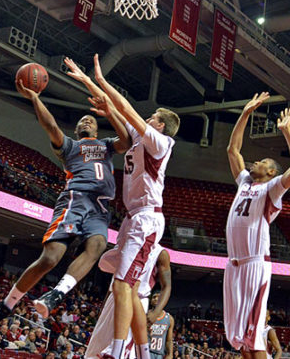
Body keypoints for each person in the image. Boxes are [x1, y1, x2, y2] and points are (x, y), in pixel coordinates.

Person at [0, 65, 130, 335]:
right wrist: (35, 98)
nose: (86, 122)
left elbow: (127, 141)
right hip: (75, 199)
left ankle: (56, 295)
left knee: (97, 247)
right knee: (50, 259)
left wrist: (109, 112)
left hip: (100, 207)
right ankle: (4, 307)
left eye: (91, 120)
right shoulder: (69, 146)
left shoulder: (106, 145)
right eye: (82, 121)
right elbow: (51, 126)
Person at [85, 53, 179, 359]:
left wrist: (102, 80)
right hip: (132, 218)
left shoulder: (161, 143)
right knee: (131, 292)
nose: (147, 118)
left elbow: (126, 109)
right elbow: (120, 116)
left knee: (121, 286)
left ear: (160, 124)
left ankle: (115, 352)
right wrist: (98, 95)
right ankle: (141, 355)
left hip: (147, 219)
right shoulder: (139, 137)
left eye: (152, 117)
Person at [222, 93, 290, 358]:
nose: (255, 162)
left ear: (271, 172)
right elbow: (232, 150)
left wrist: (286, 131)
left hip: (255, 264)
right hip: (233, 264)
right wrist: (245, 113)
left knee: (255, 336)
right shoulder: (245, 182)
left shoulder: (272, 188)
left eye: (262, 162)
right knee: (240, 340)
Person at [85, 245, 172, 359]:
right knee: (96, 349)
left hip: (137, 300)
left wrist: (156, 312)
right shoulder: (128, 242)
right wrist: (104, 307)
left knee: (121, 351)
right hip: (115, 297)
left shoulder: (161, 253)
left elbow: (167, 286)